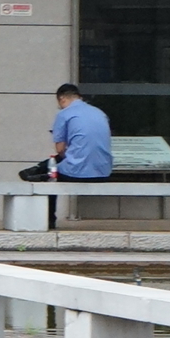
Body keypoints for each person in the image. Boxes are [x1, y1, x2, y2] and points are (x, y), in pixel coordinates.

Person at [43, 82, 113, 229]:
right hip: (103, 172)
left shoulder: (64, 114)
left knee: (48, 174)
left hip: (77, 172)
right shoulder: (100, 113)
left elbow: (60, 149)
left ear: (62, 99)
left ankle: (49, 220)